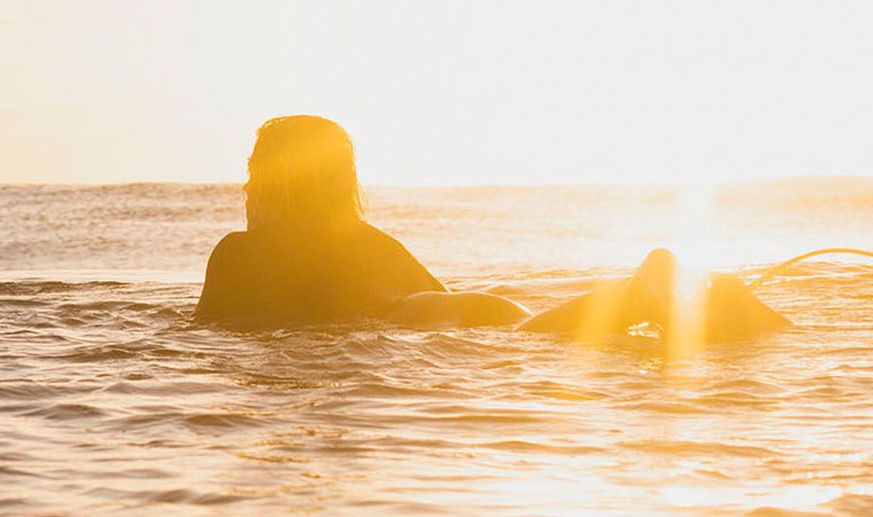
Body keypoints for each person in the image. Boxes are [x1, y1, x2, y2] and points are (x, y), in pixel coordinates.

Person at [195, 115, 787, 342]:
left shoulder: (242, 252)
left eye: (253, 170)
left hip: (424, 320)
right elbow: (441, 302)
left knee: (543, 336)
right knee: (531, 331)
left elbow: (207, 334)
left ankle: (643, 290)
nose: (245, 184)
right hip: (473, 309)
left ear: (273, 180)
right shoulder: (368, 240)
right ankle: (704, 298)